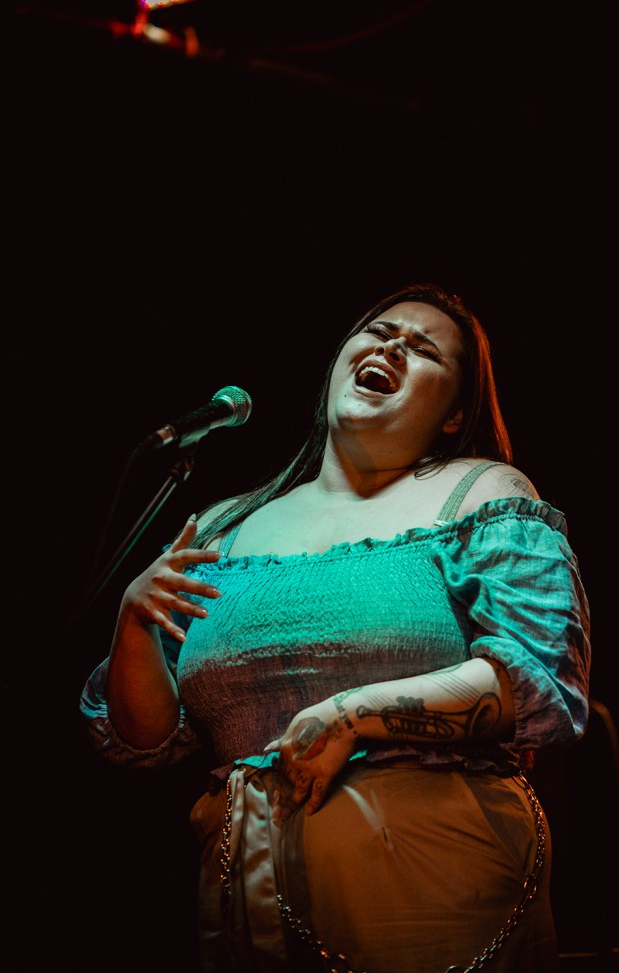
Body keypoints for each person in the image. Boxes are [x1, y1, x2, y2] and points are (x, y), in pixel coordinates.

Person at [80, 283, 591, 973]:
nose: (392, 346)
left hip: (430, 877)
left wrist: (353, 714)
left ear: (455, 414)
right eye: (378, 331)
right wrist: (134, 623)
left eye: (424, 349)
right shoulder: (226, 526)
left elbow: (537, 678)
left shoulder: (480, 492)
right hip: (246, 884)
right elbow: (147, 740)